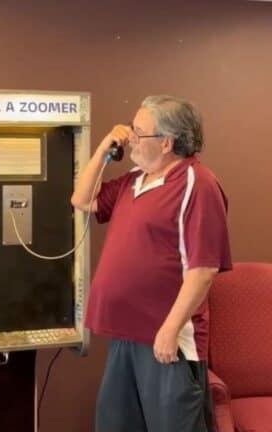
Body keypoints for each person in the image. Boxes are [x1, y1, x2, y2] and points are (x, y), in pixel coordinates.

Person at [71, 95, 231, 432]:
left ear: (166, 143)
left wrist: (170, 330)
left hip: (165, 341)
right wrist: (104, 148)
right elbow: (81, 199)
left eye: (137, 131)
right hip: (126, 334)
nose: (129, 136)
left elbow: (203, 270)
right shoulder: (134, 180)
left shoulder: (197, 184)